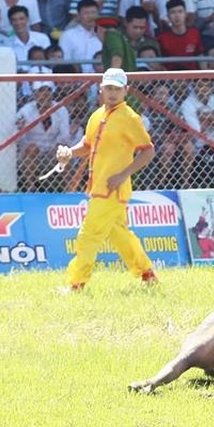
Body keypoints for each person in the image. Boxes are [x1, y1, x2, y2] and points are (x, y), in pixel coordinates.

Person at [55, 68, 159, 292]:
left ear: (126, 91)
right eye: (108, 88)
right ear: (100, 90)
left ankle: (77, 283)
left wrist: (123, 174)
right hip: (101, 187)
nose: (112, 93)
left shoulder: (130, 117)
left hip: (112, 188)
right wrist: (69, 153)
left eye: (117, 89)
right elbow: (87, 145)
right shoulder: (97, 115)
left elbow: (148, 151)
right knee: (120, 235)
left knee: (88, 235)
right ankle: (147, 274)